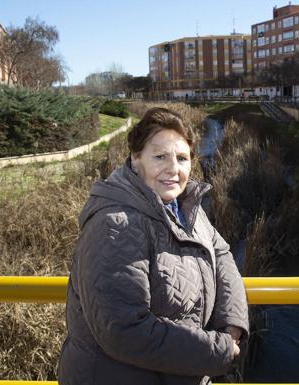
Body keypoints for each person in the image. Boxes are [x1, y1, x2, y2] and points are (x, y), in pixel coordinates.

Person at [59, 107, 249, 385]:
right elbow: (124, 330)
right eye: (160, 157)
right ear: (136, 160)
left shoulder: (184, 207)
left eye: (182, 158)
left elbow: (221, 254)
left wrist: (231, 326)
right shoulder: (115, 225)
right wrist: (217, 349)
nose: (173, 169)